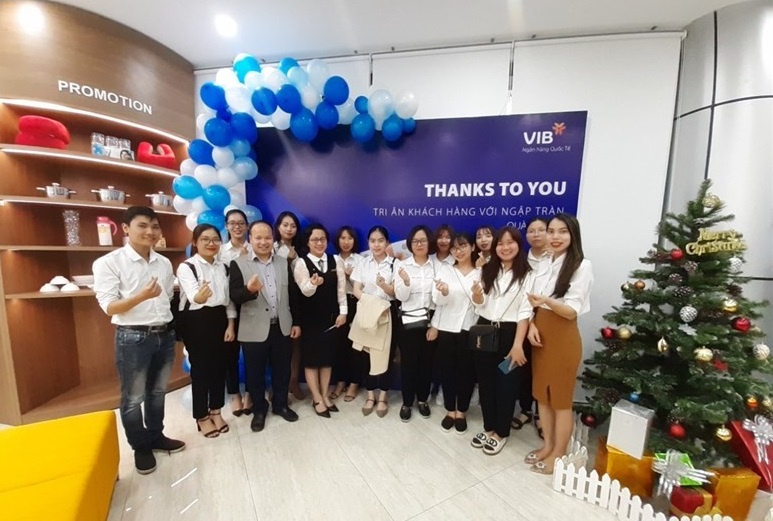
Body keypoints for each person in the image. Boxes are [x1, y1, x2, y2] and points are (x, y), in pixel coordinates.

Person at [92, 206, 185, 475]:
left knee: (157, 392)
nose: (150, 232)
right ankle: (140, 446)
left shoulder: (163, 262)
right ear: (125, 229)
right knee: (133, 397)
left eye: (154, 226)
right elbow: (109, 307)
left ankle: (156, 436)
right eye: (142, 226)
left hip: (164, 334)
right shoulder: (109, 262)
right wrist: (141, 297)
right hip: (133, 337)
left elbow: (167, 297)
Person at [525, 213, 593, 474]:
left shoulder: (581, 266)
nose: (555, 237)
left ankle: (559, 453)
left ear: (573, 235)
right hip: (540, 334)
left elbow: (571, 311)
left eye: (562, 231)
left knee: (561, 400)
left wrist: (546, 301)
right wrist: (532, 324)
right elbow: (532, 302)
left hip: (563, 337)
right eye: (551, 231)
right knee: (543, 395)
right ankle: (548, 446)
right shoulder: (545, 263)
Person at [229, 220, 302, 432]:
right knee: (254, 373)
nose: (263, 242)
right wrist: (249, 290)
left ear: (273, 238)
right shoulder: (238, 263)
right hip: (253, 328)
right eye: (258, 238)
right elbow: (234, 296)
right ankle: (259, 409)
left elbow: (292, 295)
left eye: (267, 237)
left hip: (282, 326)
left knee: (282, 370)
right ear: (250, 239)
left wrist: (296, 322)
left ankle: (280, 405)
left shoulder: (283, 262)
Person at [470, 226, 534, 456]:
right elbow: (479, 304)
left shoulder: (528, 274)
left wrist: (518, 345)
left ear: (518, 245)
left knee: (506, 383)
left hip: (510, 335)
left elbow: (525, 312)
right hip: (484, 330)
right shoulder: (487, 270)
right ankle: (489, 427)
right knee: (485, 381)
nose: (505, 247)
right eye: (501, 243)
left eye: (510, 242)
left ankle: (501, 432)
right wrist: (477, 296)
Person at [177, 224, 237, 438]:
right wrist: (200, 296)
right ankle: (201, 417)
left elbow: (228, 300)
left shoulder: (224, 267)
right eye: (205, 239)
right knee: (201, 370)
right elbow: (194, 296)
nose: (211, 243)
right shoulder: (187, 267)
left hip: (220, 318)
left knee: (220, 368)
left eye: (215, 239)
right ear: (195, 242)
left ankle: (216, 411)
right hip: (196, 320)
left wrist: (231, 324)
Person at [293, 224, 347, 417]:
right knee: (311, 361)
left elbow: (341, 290)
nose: (319, 243)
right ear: (307, 242)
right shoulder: (301, 263)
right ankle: (316, 398)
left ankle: (325, 395)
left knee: (326, 360)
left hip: (331, 318)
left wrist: (343, 312)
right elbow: (304, 291)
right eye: (314, 239)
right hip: (309, 320)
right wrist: (313, 283)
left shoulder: (335, 260)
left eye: (322, 239)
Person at [429, 231, 480, 434]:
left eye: (463, 246)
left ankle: (462, 411)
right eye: (455, 248)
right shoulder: (446, 270)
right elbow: (437, 301)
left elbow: (483, 303)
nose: (459, 251)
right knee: (448, 370)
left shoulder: (481, 272)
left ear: (472, 247)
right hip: (447, 328)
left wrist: (478, 295)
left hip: (470, 328)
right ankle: (450, 410)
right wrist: (443, 292)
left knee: (467, 372)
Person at [350, 225, 396, 418]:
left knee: (385, 356)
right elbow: (356, 289)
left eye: (380, 240)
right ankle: (370, 395)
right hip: (366, 312)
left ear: (387, 243)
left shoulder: (395, 264)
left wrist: (383, 286)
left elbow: (395, 292)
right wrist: (371, 303)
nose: (376, 245)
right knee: (365, 356)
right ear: (368, 243)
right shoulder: (363, 263)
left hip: (386, 314)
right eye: (373, 241)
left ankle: (383, 396)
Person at [512, 217, 551, 436]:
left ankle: (541, 414)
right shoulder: (521, 260)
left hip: (549, 320)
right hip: (523, 321)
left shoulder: (556, 260)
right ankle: (525, 409)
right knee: (522, 368)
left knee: (543, 369)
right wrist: (530, 323)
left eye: (541, 230)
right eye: (531, 231)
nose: (536, 234)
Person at [394, 225, 437, 422]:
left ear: (429, 242)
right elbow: (401, 297)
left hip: (429, 322)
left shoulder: (436, 266)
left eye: (423, 241)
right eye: (415, 241)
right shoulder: (402, 265)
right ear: (410, 244)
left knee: (426, 364)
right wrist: (406, 281)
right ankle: (407, 402)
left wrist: (435, 325)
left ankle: (422, 400)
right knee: (408, 364)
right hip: (408, 323)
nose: (419, 244)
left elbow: (438, 300)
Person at [220, 208, 252, 416]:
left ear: (247, 226)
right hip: (227, 307)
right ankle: (234, 394)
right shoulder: (220, 251)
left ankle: (250, 392)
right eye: (232, 223)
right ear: (226, 226)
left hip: (251, 305)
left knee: (252, 354)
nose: (237, 227)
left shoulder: (255, 247)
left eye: (241, 223)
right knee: (230, 354)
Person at [273, 210, 305, 401]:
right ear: (278, 227)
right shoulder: (271, 247)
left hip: (298, 300)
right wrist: (287, 261)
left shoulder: (301, 249)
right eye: (285, 225)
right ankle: (279, 386)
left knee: (296, 345)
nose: (289, 229)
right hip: (278, 301)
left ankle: (294, 381)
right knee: (279, 347)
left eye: (293, 226)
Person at [331, 226, 365, 402]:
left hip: (355, 303)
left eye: (349, 238)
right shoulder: (333, 259)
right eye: (342, 238)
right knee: (339, 346)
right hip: (338, 305)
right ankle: (340, 381)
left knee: (355, 346)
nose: (346, 242)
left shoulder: (361, 260)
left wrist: (349, 277)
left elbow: (365, 286)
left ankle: (354, 383)